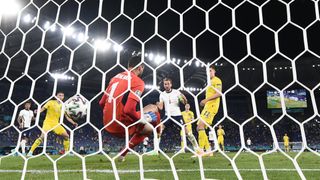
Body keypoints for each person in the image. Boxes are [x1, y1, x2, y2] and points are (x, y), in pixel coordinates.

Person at [99, 55, 161, 162]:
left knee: (153, 107)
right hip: (120, 124)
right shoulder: (138, 82)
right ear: (140, 67)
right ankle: (158, 133)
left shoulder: (115, 77)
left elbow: (101, 103)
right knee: (149, 127)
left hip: (106, 122)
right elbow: (128, 110)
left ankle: (122, 155)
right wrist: (141, 120)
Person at [156, 78, 200, 155]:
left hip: (177, 115)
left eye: (168, 84)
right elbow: (161, 107)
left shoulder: (176, 92)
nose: (166, 85)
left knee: (187, 132)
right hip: (167, 116)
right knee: (159, 129)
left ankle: (197, 149)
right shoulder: (162, 94)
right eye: (165, 84)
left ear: (171, 84)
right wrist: (158, 105)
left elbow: (184, 102)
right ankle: (156, 150)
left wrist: (185, 99)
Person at [27, 92, 78, 156]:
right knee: (42, 137)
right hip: (48, 122)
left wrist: (73, 123)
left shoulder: (63, 106)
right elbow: (42, 109)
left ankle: (67, 152)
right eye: (59, 95)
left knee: (66, 136)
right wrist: (37, 111)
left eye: (62, 96)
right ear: (56, 96)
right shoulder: (50, 102)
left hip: (56, 124)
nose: (61, 97)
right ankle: (30, 152)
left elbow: (67, 117)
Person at [197, 65, 222, 156]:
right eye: (208, 71)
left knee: (200, 126)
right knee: (199, 127)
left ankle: (200, 151)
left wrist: (206, 100)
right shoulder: (209, 82)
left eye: (210, 71)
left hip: (212, 106)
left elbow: (219, 93)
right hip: (207, 107)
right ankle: (208, 151)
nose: (209, 72)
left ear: (214, 71)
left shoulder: (217, 80)